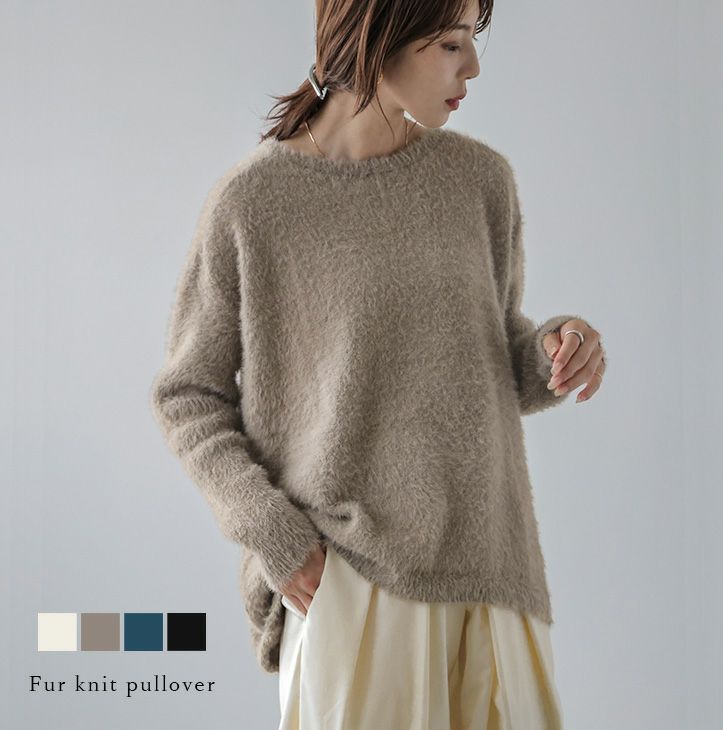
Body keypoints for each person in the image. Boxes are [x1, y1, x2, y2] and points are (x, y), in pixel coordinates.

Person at [150, 0, 607, 727]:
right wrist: (274, 534)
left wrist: (557, 348)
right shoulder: (254, 204)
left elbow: (491, 353)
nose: (473, 67)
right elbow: (188, 395)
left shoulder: (480, 181)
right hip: (351, 579)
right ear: (377, 38)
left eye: (473, 40)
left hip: (492, 573)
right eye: (451, 44)